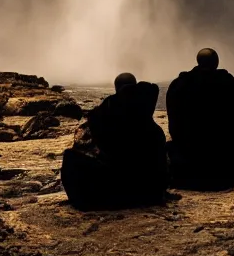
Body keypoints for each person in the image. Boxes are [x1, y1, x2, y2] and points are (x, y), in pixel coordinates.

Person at [61, 73, 169, 210]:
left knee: (70, 157)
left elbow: (88, 147)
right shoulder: (152, 125)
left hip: (117, 192)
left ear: (116, 89)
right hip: (149, 193)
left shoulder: (102, 116)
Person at [165, 48, 234, 190]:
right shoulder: (228, 83)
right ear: (216, 63)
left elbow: (174, 124)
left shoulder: (180, 84)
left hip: (187, 157)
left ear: (198, 61)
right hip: (223, 160)